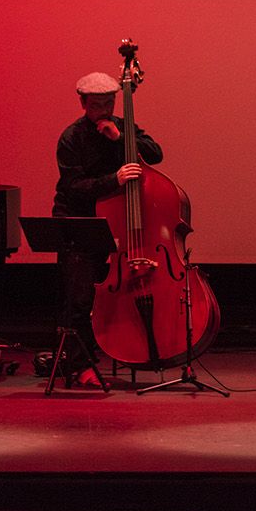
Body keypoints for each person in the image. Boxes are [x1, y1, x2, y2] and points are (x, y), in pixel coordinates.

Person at [52, 71, 161, 375]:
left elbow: (157, 154)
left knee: (113, 292)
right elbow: (73, 186)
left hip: (118, 225)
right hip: (81, 220)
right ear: (83, 102)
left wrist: (122, 139)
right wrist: (114, 179)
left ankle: (131, 349)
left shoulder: (122, 127)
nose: (104, 110)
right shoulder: (71, 138)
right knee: (81, 297)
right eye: (97, 105)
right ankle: (79, 367)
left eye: (109, 103)